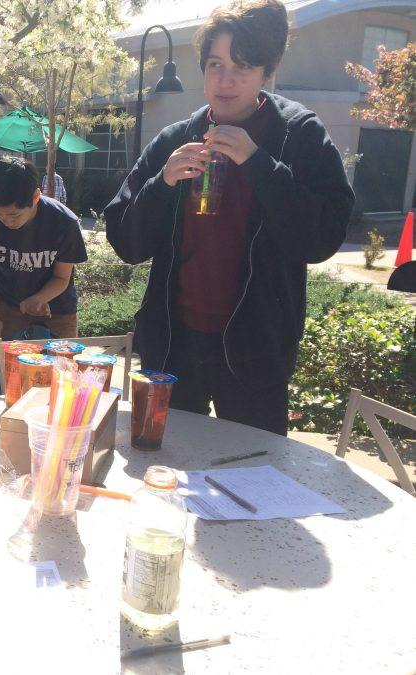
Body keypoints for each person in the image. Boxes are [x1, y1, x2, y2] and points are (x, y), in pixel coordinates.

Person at [105, 0, 354, 435]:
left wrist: (260, 165)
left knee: (256, 477)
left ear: (267, 72)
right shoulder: (175, 140)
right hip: (173, 346)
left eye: (242, 66)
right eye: (215, 64)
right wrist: (162, 185)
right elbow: (126, 243)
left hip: (257, 349)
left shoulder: (299, 136)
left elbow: (322, 239)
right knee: (169, 470)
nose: (225, 80)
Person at [0, 157, 87, 342]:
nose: (6, 221)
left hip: (56, 312)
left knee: (60, 369)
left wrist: (38, 299)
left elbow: (62, 278)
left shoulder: (64, 222)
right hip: (5, 307)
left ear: (35, 196)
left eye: (14, 214)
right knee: (0, 368)